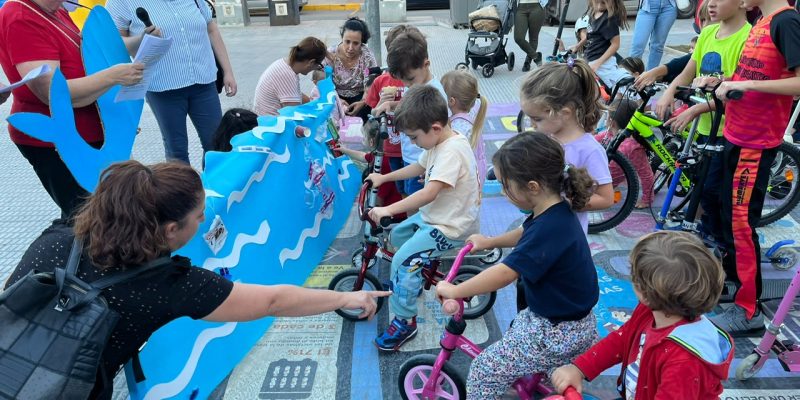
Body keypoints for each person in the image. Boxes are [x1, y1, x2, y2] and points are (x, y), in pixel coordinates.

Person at [3, 160, 389, 400]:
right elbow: (271, 301)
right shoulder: (168, 284)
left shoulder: (60, 235)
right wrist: (342, 299)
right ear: (170, 230)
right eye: (200, 215)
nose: (205, 221)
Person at [436, 132, 599, 400]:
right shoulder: (555, 210)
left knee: (484, 370)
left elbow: (504, 273)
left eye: (505, 185)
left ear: (532, 187)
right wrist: (489, 242)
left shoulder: (550, 226)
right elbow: (525, 233)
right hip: (570, 320)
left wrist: (456, 290)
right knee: (517, 330)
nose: (502, 191)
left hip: (556, 330)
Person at [0, 0, 146, 220]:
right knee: (93, 221)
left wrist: (116, 122)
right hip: (59, 143)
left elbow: (85, 62)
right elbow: (52, 92)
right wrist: (113, 76)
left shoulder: (57, 10)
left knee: (115, 213)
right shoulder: (21, 15)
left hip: (92, 132)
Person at [706, 0, 800, 335]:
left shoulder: (785, 21)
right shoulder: (761, 20)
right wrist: (724, 81)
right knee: (725, 214)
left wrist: (744, 86)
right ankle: (735, 285)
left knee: (741, 224)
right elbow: (754, 73)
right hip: (736, 134)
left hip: (755, 144)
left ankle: (749, 311)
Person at [551, 231, 733, 399]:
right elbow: (622, 340)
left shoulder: (683, 361)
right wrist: (580, 368)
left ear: (646, 292)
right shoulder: (650, 310)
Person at [366, 85, 480, 351]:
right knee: (395, 237)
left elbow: (428, 194)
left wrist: (388, 209)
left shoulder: (451, 150)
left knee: (403, 261)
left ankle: (405, 321)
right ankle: (411, 280)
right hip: (434, 217)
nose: (414, 143)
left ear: (436, 128)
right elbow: (419, 166)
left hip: (448, 226)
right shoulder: (440, 141)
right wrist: (384, 177)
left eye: (415, 138)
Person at [654, 0, 750, 245]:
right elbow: (688, 72)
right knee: (700, 183)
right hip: (705, 127)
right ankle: (706, 230)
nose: (711, 4)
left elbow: (739, 92)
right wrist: (669, 92)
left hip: (728, 128)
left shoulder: (748, 38)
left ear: (742, 3)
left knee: (711, 189)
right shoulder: (708, 33)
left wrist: (695, 109)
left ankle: (715, 238)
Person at [107, 0, 238, 164]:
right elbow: (113, 42)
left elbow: (211, 29)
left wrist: (228, 72)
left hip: (204, 82)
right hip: (163, 87)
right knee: (177, 150)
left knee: (217, 145)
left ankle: (215, 187)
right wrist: (141, 39)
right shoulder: (122, 2)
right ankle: (183, 189)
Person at [519, 59, 614, 234]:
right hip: (540, 229)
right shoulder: (547, 138)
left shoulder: (588, 150)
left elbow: (606, 198)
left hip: (565, 238)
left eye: (537, 119)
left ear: (564, 113)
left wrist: (562, 204)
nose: (532, 125)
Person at [377, 29, 451, 197]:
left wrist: (436, 166)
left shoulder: (433, 94)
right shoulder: (418, 86)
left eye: (409, 79)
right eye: (402, 80)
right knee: (407, 198)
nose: (406, 84)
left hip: (423, 165)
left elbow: (445, 136)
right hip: (412, 158)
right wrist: (390, 104)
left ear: (426, 64)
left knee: (416, 207)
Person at [365, 24, 423, 196]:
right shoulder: (380, 81)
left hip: (414, 148)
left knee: (415, 190)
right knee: (402, 189)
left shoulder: (415, 80)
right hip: (391, 146)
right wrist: (381, 104)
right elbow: (372, 116)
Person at [595, 99, 654, 208]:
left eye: (607, 116)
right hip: (599, 176)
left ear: (611, 121)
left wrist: (647, 200)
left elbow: (646, 175)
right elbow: (594, 139)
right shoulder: (610, 133)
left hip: (601, 185)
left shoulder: (632, 147)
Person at [253, 37, 327, 117]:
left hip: (264, 118)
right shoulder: (287, 75)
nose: (316, 68)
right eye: (319, 65)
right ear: (311, 62)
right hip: (270, 124)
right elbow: (293, 114)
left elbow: (295, 94)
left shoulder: (285, 64)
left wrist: (314, 103)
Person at [441, 70, 488, 192]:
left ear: (451, 101)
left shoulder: (458, 128)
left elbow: (454, 160)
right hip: (476, 174)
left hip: (466, 181)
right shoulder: (471, 111)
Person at [326, 17, 378, 122]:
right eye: (347, 41)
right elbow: (322, 82)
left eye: (355, 43)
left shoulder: (367, 56)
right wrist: (337, 100)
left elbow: (372, 83)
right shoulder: (331, 54)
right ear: (342, 38)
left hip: (360, 98)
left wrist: (363, 102)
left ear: (362, 42)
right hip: (334, 97)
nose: (350, 47)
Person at [584, 0, 630, 89]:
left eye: (603, 3)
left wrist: (598, 63)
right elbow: (592, 35)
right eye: (597, 2)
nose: (599, 6)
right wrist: (578, 45)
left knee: (610, 91)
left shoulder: (609, 20)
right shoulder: (593, 13)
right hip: (591, 60)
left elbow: (615, 44)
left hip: (603, 64)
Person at [629, 0, 678, 71]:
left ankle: (650, 77)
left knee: (658, 45)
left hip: (669, 6)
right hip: (647, 7)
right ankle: (632, 75)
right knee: (638, 45)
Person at [515, 0, 547, 72]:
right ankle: (536, 56)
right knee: (518, 38)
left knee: (533, 38)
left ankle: (528, 61)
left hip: (537, 6)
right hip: (521, 7)